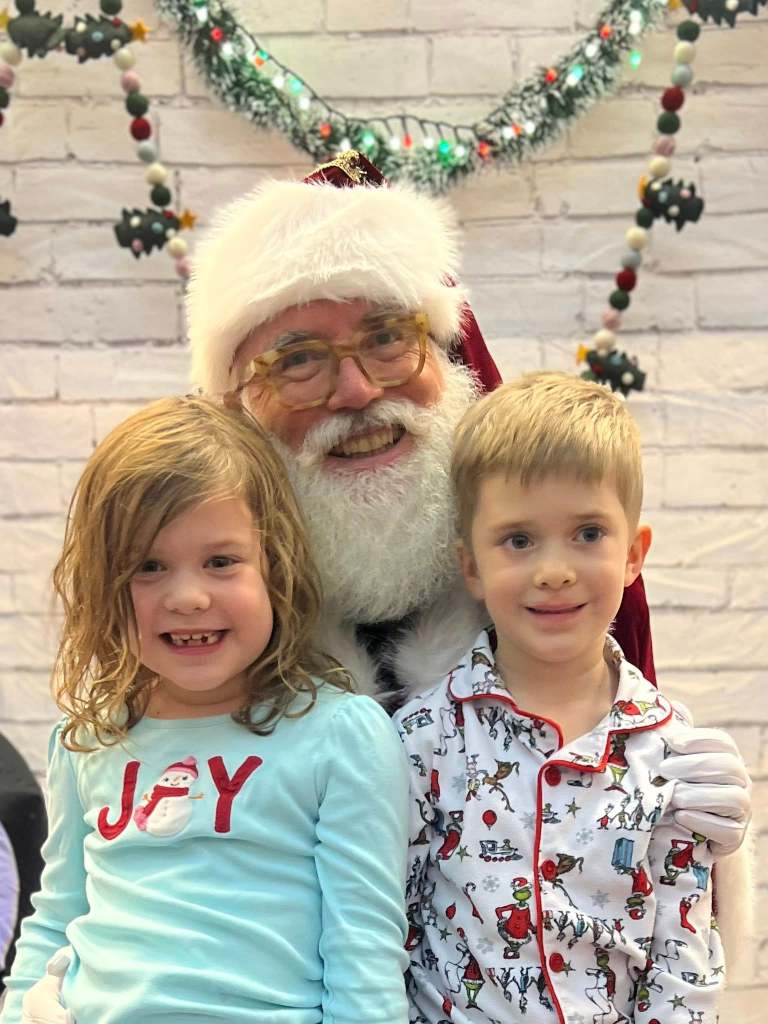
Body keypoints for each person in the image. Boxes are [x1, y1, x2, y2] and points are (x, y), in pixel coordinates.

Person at [17, 152, 751, 1022]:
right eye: (298, 360)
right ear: (239, 411)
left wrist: (687, 814)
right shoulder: (203, 648)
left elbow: (643, 904)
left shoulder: (524, 581)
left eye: (387, 338)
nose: (358, 390)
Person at [0, 396, 410, 1024]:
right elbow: (56, 914)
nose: (188, 597)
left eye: (221, 562)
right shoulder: (88, 738)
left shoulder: (340, 736)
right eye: (148, 567)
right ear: (104, 585)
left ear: (274, 567)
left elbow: (364, 956)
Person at [393, 373, 731, 1023]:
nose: (554, 571)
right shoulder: (424, 738)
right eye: (519, 540)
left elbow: (683, 955)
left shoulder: (672, 749)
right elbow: (388, 931)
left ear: (633, 555)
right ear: (471, 566)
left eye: (588, 534)